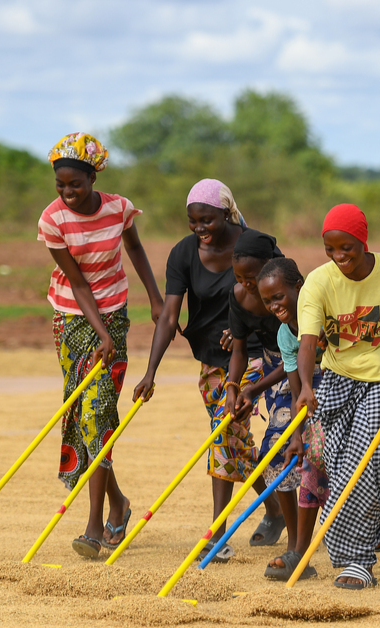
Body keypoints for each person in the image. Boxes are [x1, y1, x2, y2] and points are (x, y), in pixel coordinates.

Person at [132, 179, 281, 563]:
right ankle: (276, 510)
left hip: (257, 356)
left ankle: (218, 533)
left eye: (207, 220)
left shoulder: (254, 246)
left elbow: (281, 297)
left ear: (226, 213)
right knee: (232, 440)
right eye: (193, 221)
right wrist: (151, 372)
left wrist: (246, 329)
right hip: (212, 361)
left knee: (223, 430)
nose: (200, 228)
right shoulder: (183, 254)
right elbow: (169, 315)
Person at [38, 132, 164, 559]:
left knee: (98, 413)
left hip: (114, 311)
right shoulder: (52, 221)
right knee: (85, 413)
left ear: (94, 177)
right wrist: (102, 336)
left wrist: (155, 296)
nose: (68, 193)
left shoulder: (119, 208)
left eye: (76, 184)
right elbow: (77, 283)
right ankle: (118, 504)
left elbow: (137, 250)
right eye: (61, 185)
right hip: (71, 318)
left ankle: (94, 525)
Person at [295, 204, 380, 589]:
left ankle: (358, 560)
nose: (339, 257)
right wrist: (305, 384)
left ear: (362, 240)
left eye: (346, 247)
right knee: (335, 465)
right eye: (330, 249)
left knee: (362, 468)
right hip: (335, 379)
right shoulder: (318, 282)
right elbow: (308, 342)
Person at [256, 257, 327, 581]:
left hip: (345, 388)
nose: (274, 305)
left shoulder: (324, 314)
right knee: (294, 456)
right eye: (267, 301)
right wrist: (298, 432)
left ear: (298, 287)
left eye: (279, 297)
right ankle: (298, 550)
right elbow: (297, 385)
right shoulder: (286, 334)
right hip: (311, 400)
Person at [222, 229, 292, 552]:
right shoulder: (238, 297)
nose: (246, 283)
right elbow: (238, 351)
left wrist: (254, 389)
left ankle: (298, 535)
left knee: (278, 448)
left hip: (302, 369)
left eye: (251, 276)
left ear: (270, 265)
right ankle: (284, 520)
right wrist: (233, 389)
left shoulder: (289, 293)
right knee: (267, 449)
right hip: (269, 364)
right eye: (239, 276)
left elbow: (294, 357)